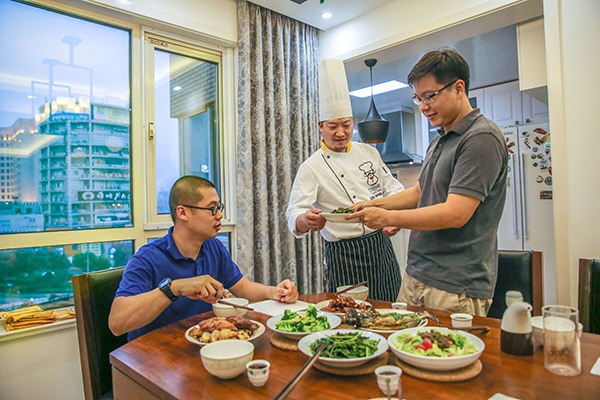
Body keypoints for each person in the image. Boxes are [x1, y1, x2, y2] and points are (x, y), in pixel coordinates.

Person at [349, 48, 508, 316]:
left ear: (459, 88)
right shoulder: (440, 139)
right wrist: (376, 204)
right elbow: (420, 192)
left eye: (429, 96)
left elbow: (456, 213)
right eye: (418, 98)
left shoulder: (481, 137)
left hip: (455, 285)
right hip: (417, 274)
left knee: (442, 357)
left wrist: (388, 218)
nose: (423, 106)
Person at [109, 175, 298, 341]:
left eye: (219, 207)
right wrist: (175, 288)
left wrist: (275, 292)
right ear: (182, 213)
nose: (220, 215)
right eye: (212, 209)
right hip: (154, 359)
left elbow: (242, 287)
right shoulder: (147, 258)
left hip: (198, 349)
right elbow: (117, 323)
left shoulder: (213, 247)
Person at [286, 59, 405, 302]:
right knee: (350, 315)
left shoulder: (369, 152)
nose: (340, 132)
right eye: (333, 126)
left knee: (390, 307)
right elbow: (294, 212)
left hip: (380, 244)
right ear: (320, 126)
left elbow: (393, 188)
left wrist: (395, 218)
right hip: (344, 252)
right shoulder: (312, 166)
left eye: (346, 125)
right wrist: (306, 220)